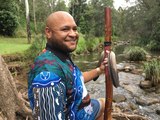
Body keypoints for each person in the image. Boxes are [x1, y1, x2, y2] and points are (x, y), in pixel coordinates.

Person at [28, 11, 107, 120]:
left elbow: (75, 79)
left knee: (105, 103)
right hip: (77, 115)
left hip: (83, 109)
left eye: (74, 29)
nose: (73, 34)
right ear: (48, 32)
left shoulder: (60, 56)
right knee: (105, 105)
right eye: (65, 29)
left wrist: (99, 70)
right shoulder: (47, 74)